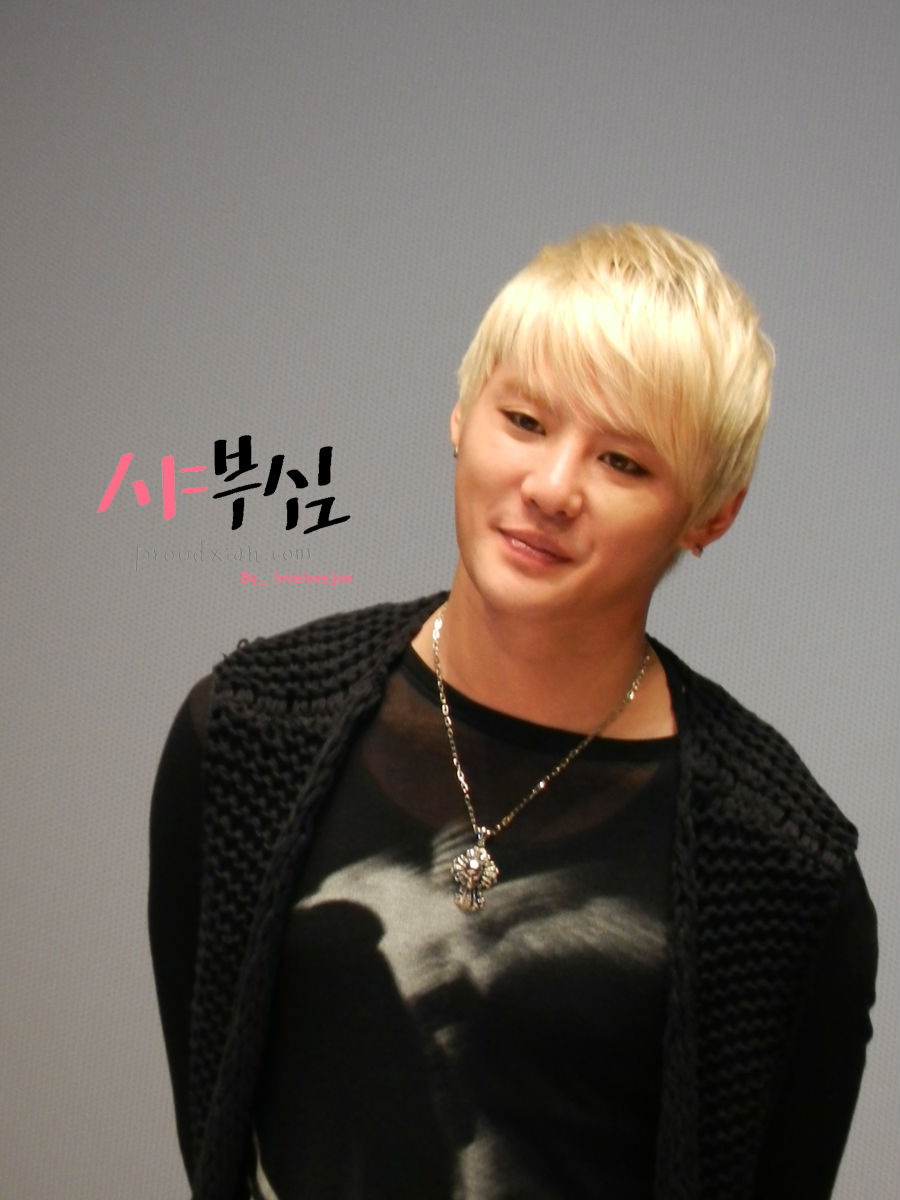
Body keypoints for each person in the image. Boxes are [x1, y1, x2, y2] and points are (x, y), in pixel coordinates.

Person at [150, 224, 877, 1200]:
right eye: (525, 421)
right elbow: (215, 1127)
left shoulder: (781, 864)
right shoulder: (249, 732)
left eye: (623, 462)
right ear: (462, 415)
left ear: (713, 512)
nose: (551, 488)